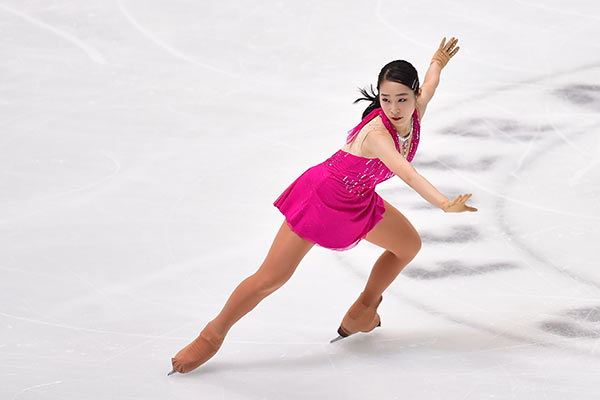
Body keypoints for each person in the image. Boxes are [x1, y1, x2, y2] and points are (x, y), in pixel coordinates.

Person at [169, 36, 477, 375]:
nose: (394, 108)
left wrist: (438, 62)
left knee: (408, 245)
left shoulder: (417, 109)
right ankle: (211, 336)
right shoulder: (378, 135)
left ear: (414, 96)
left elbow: (431, 83)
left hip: (359, 199)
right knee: (271, 278)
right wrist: (443, 203)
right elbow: (407, 173)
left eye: (402, 99)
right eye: (385, 99)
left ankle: (363, 310)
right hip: (321, 197)